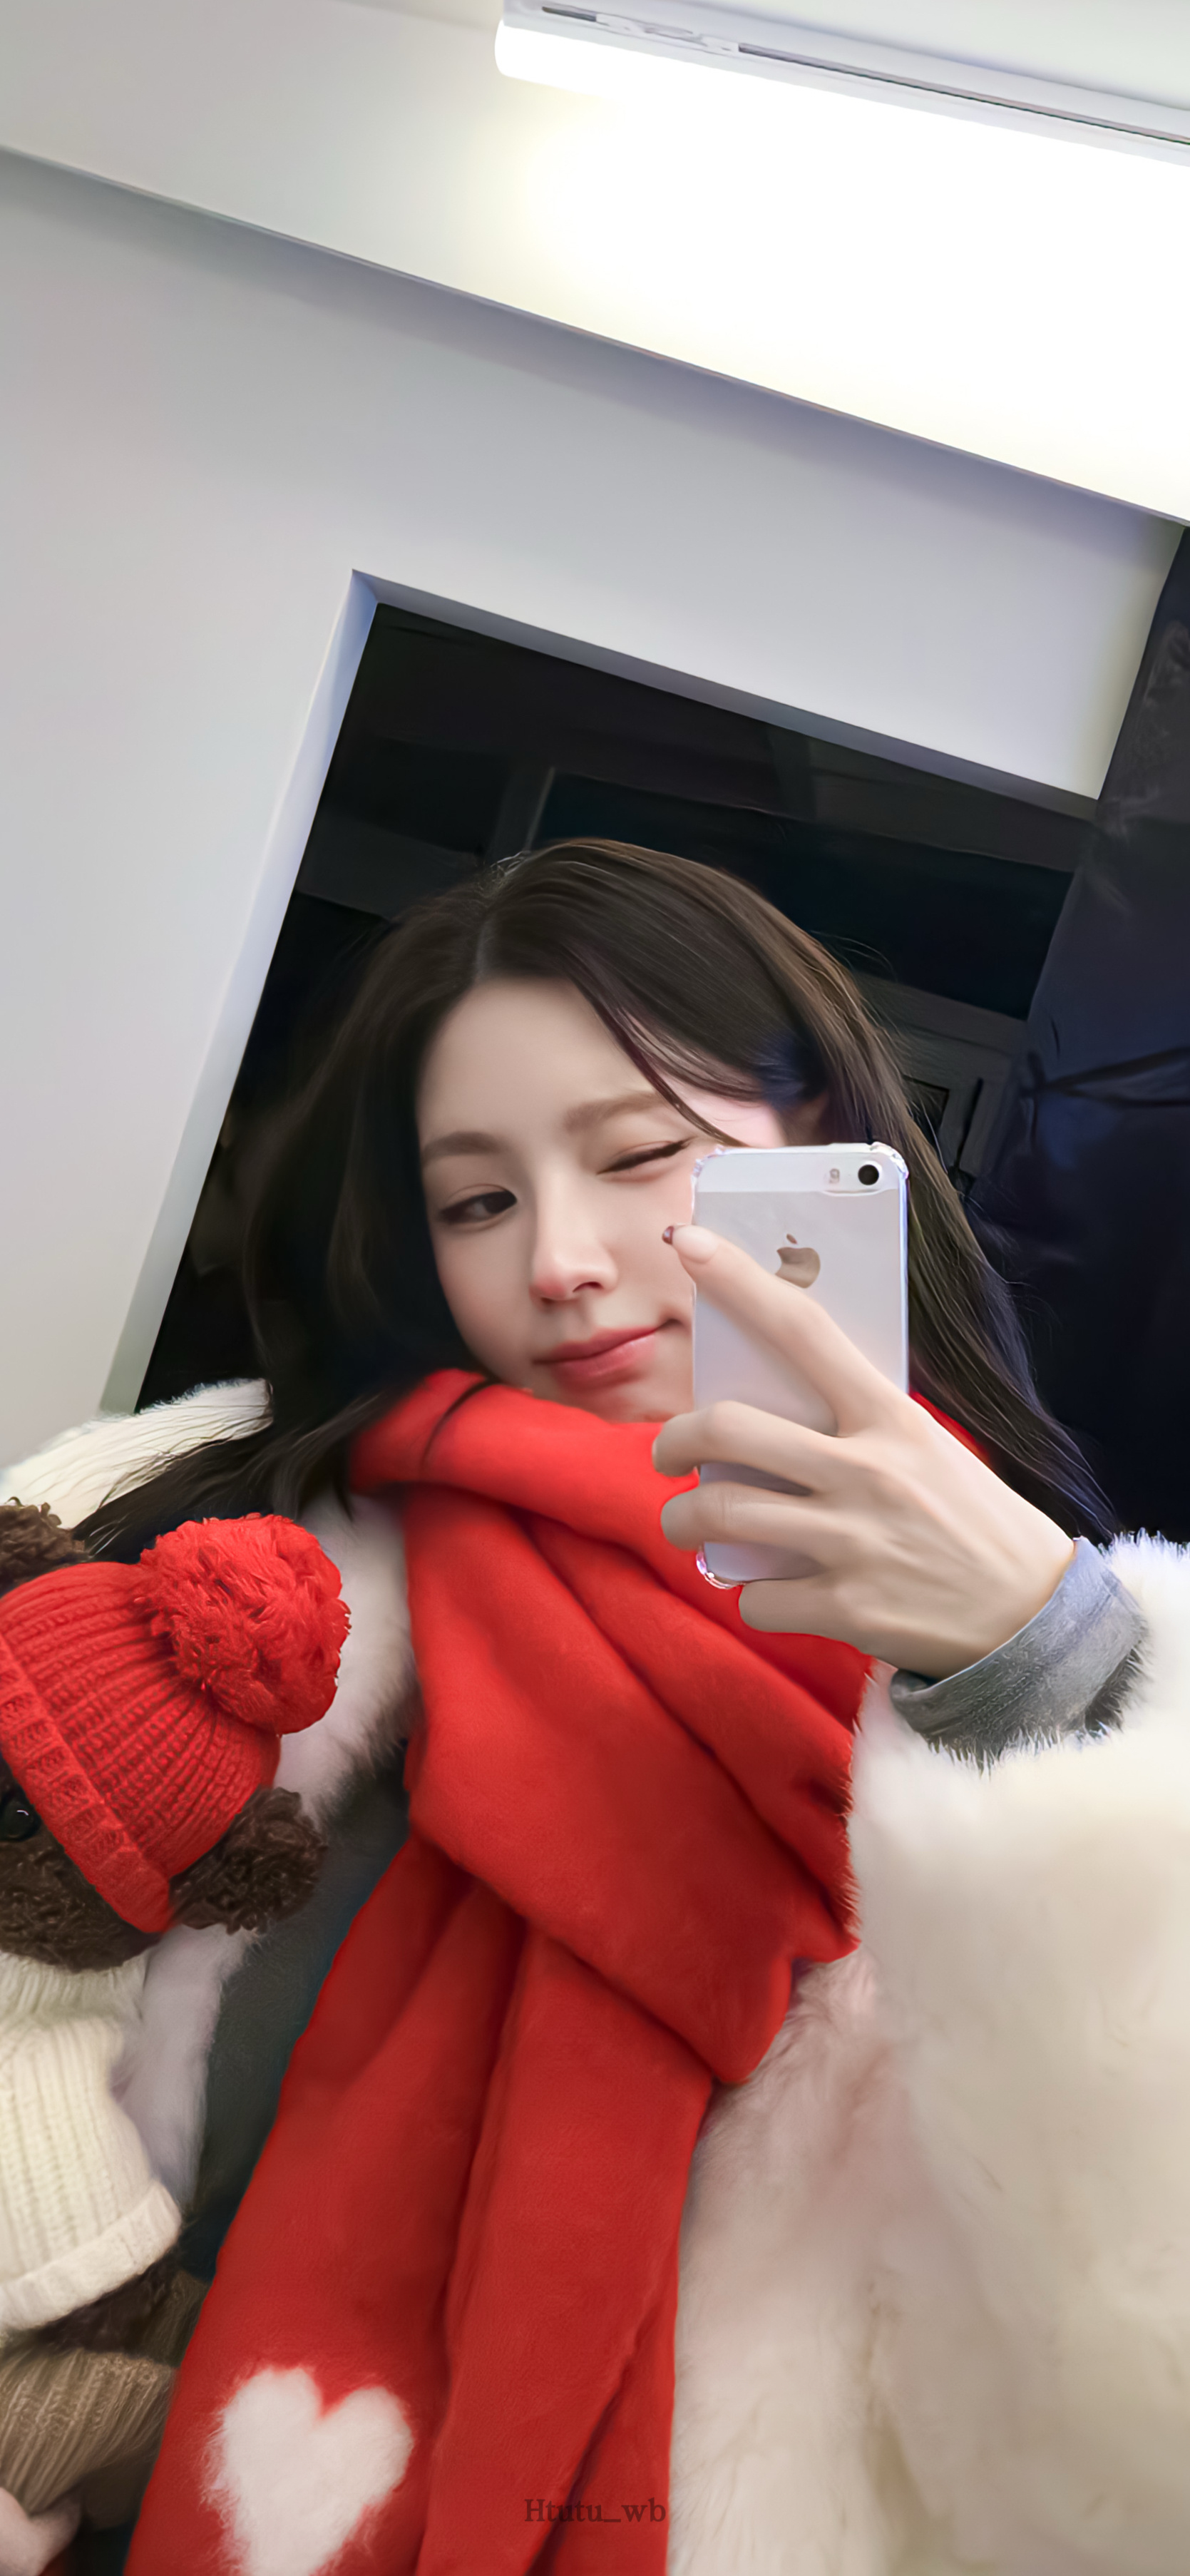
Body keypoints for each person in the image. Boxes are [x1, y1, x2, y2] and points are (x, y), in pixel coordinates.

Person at [6, 839, 1189, 2576]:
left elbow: (1130, 2417)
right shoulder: (210, 1546)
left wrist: (1038, 1669)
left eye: (640, 1159)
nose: (559, 1260)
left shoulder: (1063, 1688)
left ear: (823, 1154)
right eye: (476, 1203)